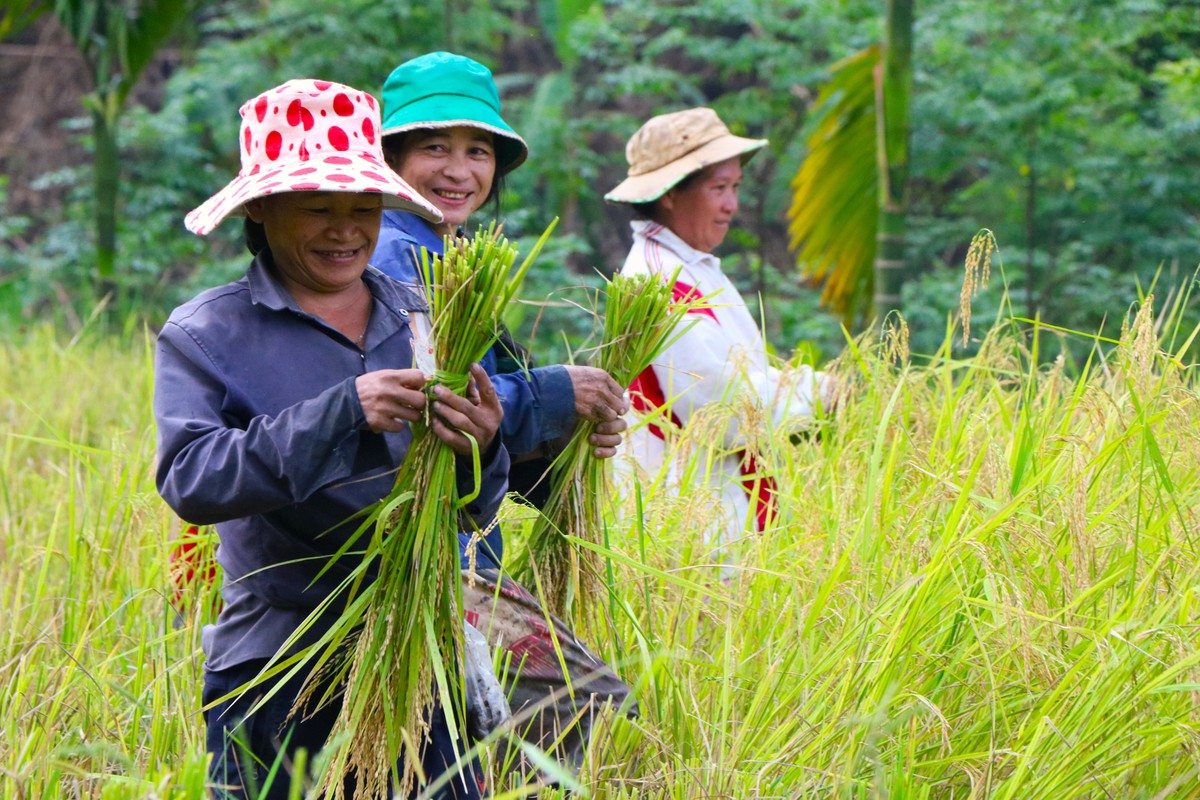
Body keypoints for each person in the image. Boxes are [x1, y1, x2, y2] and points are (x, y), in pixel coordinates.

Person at [156, 78, 506, 799]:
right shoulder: (208, 333)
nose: (346, 230)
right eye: (318, 208)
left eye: (363, 208)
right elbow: (192, 479)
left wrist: (481, 446)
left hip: (423, 653)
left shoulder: (426, 313)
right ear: (261, 208)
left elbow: (472, 506)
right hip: (280, 666)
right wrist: (342, 411)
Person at [371, 51, 629, 515]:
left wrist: (568, 430)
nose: (458, 171)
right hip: (405, 525)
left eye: (478, 151)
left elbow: (488, 406)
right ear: (391, 159)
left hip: (464, 526)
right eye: (435, 147)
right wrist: (557, 394)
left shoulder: (456, 254)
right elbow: (429, 396)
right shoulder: (392, 254)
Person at [605, 107, 833, 548]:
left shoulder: (695, 268)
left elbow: (741, 380)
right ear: (670, 193)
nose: (732, 204)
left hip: (726, 509)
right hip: (693, 524)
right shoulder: (661, 282)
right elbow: (721, 411)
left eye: (735, 188)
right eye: (718, 189)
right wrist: (817, 396)